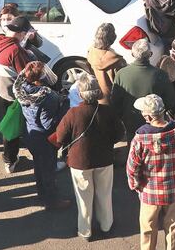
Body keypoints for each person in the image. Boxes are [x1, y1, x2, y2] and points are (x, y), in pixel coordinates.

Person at [51, 73, 125, 239]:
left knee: (83, 198)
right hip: (104, 159)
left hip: (80, 162)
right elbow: (119, 134)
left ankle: (85, 230)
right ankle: (106, 225)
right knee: (104, 194)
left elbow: (60, 137)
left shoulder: (73, 113)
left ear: (80, 93)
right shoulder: (108, 111)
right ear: (98, 92)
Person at [126, 93, 175, 250]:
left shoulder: (139, 140)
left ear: (149, 117)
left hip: (149, 192)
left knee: (148, 228)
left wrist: (135, 185)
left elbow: (132, 168)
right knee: (174, 226)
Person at [0, 14, 44, 173]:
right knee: (17, 129)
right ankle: (11, 160)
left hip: (2, 91)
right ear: (22, 33)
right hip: (16, 97)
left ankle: (10, 158)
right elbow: (28, 75)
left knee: (9, 127)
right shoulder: (15, 50)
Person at [13, 61, 70, 210]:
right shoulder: (47, 97)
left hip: (30, 134)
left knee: (39, 167)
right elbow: (48, 124)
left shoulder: (21, 88)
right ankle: (52, 202)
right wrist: (64, 106)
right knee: (48, 170)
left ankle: (42, 195)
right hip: (44, 140)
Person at [111, 39, 175, 141]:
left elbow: (115, 101)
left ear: (132, 54)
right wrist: (159, 114)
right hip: (155, 122)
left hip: (131, 122)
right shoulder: (161, 74)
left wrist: (124, 117)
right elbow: (170, 100)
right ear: (150, 54)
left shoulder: (121, 74)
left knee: (133, 146)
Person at [87, 23, 126, 105]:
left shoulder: (91, 52)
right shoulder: (117, 60)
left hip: (99, 97)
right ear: (112, 38)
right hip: (114, 99)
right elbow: (124, 83)